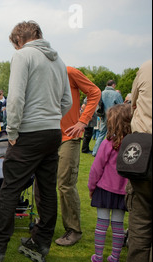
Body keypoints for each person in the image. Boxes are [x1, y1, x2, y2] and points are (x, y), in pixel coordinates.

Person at [0, 20, 72, 262]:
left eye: (14, 44)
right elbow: (67, 101)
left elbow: (16, 97)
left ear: (20, 40)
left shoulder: (23, 56)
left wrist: (12, 131)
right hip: (52, 131)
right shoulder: (59, 61)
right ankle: (41, 242)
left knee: (10, 188)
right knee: (46, 188)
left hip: (29, 132)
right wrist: (51, 117)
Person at [55, 66, 101, 246]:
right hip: (46, 136)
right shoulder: (37, 74)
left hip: (69, 137)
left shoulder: (68, 72)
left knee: (65, 184)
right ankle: (45, 225)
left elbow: (95, 92)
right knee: (41, 183)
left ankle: (73, 230)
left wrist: (83, 120)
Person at [88, 104, 131, 262]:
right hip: (122, 191)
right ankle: (114, 259)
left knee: (102, 223)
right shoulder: (132, 145)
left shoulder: (108, 143)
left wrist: (92, 187)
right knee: (118, 225)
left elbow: (96, 167)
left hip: (105, 189)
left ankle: (98, 258)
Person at [124, 59, 152, 262]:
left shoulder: (147, 67)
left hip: (142, 147)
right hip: (143, 149)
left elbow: (133, 103)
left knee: (141, 213)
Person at [92, 80, 124, 156]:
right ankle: (110, 152)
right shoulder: (116, 94)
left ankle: (95, 152)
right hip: (113, 117)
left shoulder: (101, 93)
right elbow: (121, 106)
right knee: (113, 135)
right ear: (113, 85)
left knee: (101, 134)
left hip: (103, 116)